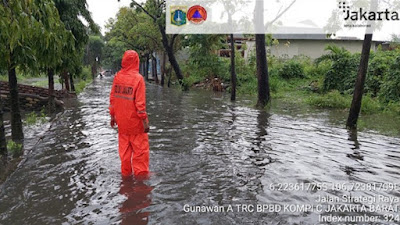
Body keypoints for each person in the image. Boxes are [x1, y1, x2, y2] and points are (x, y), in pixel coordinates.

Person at [109, 50, 150, 178]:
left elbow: (112, 99)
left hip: (122, 124)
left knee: (125, 155)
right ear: (136, 62)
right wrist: (145, 122)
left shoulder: (117, 77)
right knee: (140, 154)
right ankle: (141, 183)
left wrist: (112, 117)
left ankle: (126, 180)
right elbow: (140, 105)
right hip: (136, 125)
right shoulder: (138, 79)